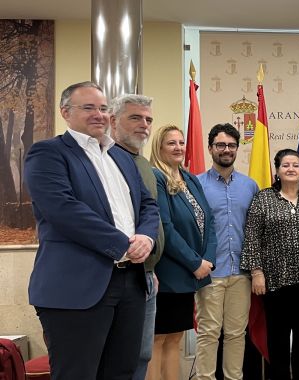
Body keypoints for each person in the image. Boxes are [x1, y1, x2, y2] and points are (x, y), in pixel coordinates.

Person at [23, 81, 159, 379]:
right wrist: (124, 244)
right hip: (77, 287)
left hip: (130, 284)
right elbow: (64, 210)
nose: (99, 114)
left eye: (103, 108)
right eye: (88, 108)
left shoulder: (121, 157)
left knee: (122, 371)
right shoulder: (48, 153)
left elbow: (148, 205)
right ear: (65, 112)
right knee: (78, 373)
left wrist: (146, 238)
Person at [241, 149, 299, 380]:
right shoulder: (263, 198)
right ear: (277, 170)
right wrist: (256, 272)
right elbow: (252, 236)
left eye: (296, 165)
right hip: (274, 280)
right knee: (278, 336)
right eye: (286, 165)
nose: (291, 169)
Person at [149, 124, 217, 380]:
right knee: (158, 340)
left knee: (175, 339)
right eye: (171, 143)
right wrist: (194, 262)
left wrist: (207, 259)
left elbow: (208, 220)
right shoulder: (156, 176)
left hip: (188, 275)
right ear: (159, 147)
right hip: (168, 273)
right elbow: (164, 227)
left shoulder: (189, 178)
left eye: (181, 142)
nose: (178, 147)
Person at [194, 123, 259, 380]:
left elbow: (255, 231)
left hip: (241, 273)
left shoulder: (250, 186)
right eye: (220, 145)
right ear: (211, 148)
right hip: (211, 271)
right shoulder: (196, 184)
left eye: (231, 145)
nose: (226, 150)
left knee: (235, 333)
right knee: (209, 332)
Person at [108, 93, 165, 380]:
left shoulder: (143, 164)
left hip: (145, 273)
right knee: (120, 357)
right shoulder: (105, 161)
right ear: (112, 121)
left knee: (141, 353)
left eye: (148, 120)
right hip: (118, 273)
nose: (144, 125)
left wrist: (150, 267)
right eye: (135, 118)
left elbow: (149, 215)